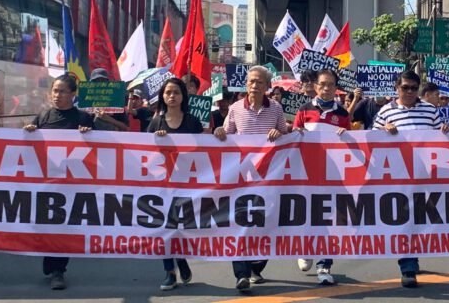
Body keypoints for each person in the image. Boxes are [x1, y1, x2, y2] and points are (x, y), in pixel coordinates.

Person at [373, 70, 449, 288]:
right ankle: (407, 266)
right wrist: (383, 130)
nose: (409, 92)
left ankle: (413, 254)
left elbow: (440, 136)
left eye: (413, 88)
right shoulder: (386, 111)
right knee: (405, 219)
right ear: (396, 88)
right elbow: (371, 139)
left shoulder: (430, 110)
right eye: (405, 87)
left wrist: (445, 130)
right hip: (398, 177)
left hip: (424, 176)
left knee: (420, 219)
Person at [214, 65, 288, 293]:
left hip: (268, 178)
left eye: (259, 82)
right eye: (251, 81)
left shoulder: (276, 108)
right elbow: (227, 135)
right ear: (246, 84)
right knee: (239, 224)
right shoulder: (235, 108)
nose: (254, 86)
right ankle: (242, 274)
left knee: (265, 224)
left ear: (267, 86)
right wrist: (219, 132)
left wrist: (279, 134)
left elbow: (287, 136)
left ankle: (257, 265)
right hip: (241, 178)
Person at [24, 74, 94, 290]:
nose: (58, 95)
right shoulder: (43, 116)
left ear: (73, 94)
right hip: (45, 183)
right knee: (46, 224)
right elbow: (27, 147)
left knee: (65, 226)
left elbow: (100, 150)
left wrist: (89, 134)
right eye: (55, 90)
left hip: (71, 186)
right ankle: (49, 258)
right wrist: (29, 131)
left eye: (63, 91)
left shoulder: (83, 118)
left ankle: (58, 270)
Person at [292, 68, 350, 285]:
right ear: (315, 86)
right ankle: (306, 249)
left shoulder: (343, 114)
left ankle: (324, 266)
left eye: (331, 85)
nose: (326, 89)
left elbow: (350, 146)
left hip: (333, 177)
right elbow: (294, 138)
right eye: (322, 84)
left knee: (329, 220)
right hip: (307, 175)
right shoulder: (304, 109)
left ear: (336, 88)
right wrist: (295, 133)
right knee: (307, 215)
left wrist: (347, 135)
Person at [148, 77, 204, 290]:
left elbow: (204, 151)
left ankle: (181, 258)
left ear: (183, 96)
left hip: (186, 185)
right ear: (162, 96)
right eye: (168, 92)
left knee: (180, 228)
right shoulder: (155, 123)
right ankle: (169, 271)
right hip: (162, 186)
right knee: (164, 227)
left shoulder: (192, 122)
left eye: (176, 93)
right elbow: (145, 153)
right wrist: (157, 140)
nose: (171, 96)